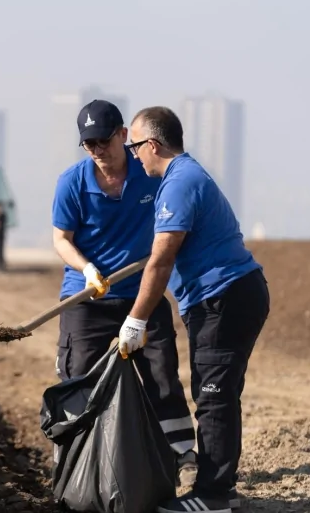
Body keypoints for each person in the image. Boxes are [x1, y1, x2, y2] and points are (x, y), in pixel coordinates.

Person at [120, 106, 270, 513]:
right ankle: (220, 488)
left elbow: (162, 259)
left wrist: (135, 320)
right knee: (217, 394)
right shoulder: (185, 177)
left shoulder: (179, 183)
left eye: (134, 146)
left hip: (225, 298)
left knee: (214, 395)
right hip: (228, 296)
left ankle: (214, 495)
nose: (133, 155)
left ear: (152, 144)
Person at [51, 99, 198, 488]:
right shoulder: (72, 182)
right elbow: (61, 239)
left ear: (123, 136)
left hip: (141, 295)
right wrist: (86, 269)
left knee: (162, 374)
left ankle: (182, 456)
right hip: (87, 299)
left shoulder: (150, 173)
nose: (97, 150)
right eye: (88, 144)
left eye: (103, 141)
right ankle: (71, 461)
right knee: (78, 377)